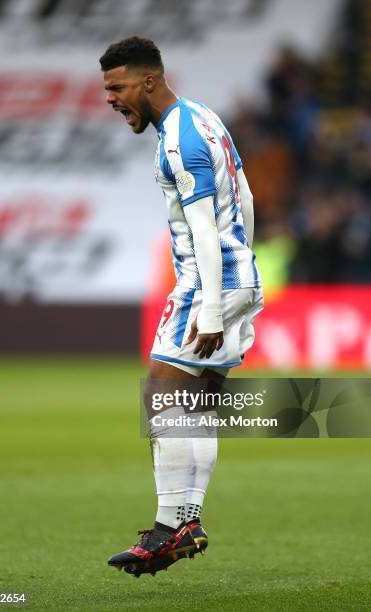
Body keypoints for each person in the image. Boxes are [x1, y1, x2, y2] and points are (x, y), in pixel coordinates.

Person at [100, 36, 263, 577]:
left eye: (117, 87)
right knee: (194, 409)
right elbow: (246, 198)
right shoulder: (203, 117)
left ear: (148, 81)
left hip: (208, 285)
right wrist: (247, 275)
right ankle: (183, 522)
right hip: (237, 276)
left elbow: (203, 229)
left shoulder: (179, 139)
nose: (110, 99)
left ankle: (172, 526)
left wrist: (212, 308)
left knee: (164, 396)